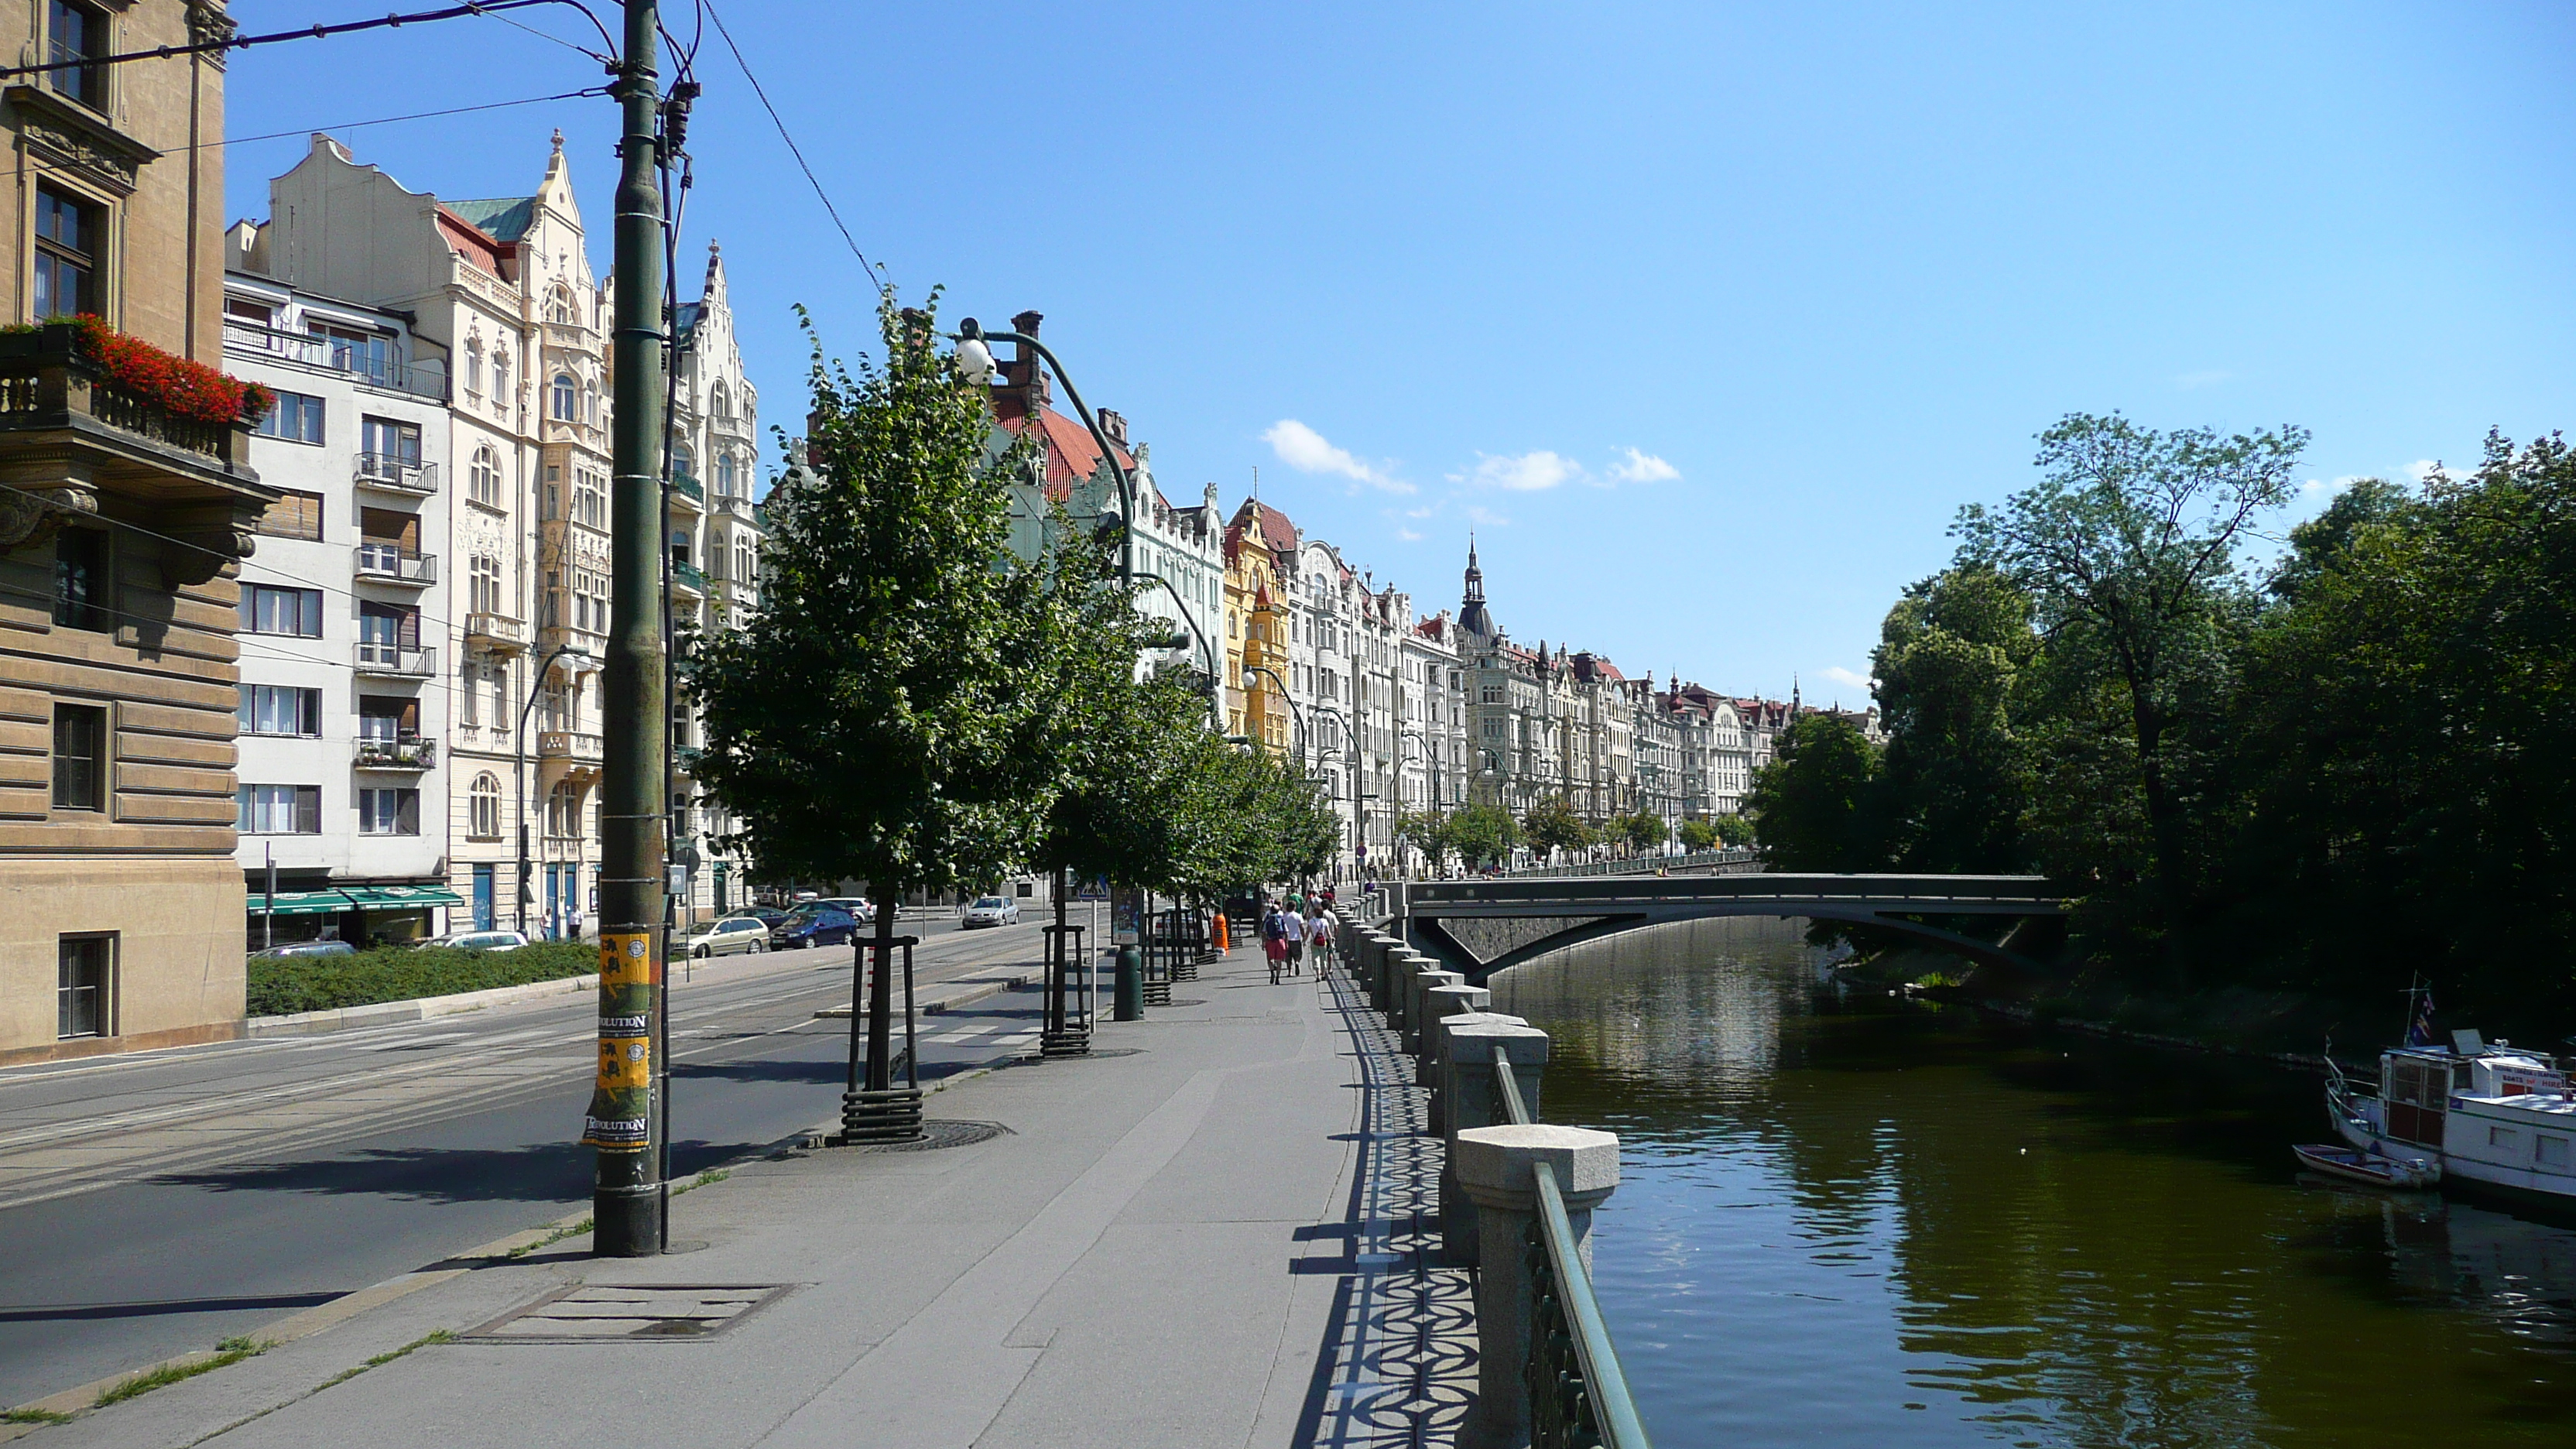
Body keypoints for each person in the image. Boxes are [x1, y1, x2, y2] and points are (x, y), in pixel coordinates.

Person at [1279, 903, 1307, 976]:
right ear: (1294, 907)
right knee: (1298, 953)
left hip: (1286, 939)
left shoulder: (1284, 917)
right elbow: (1301, 927)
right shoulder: (1298, 916)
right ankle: (1297, 962)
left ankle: (1290, 971)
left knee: (1288, 956)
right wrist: (1304, 937)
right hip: (1296, 938)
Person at [1262, 902, 1286, 985]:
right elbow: (1286, 932)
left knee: (1270, 958)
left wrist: (1264, 942)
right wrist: (1286, 942)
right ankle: (1278, 977)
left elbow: (1264, 932)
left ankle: (1272, 971)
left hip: (1270, 941)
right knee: (1279, 960)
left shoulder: (1268, 920)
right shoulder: (1282, 919)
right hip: (1280, 940)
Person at [1309, 904, 1337, 974]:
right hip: (1324, 941)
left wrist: (1304, 941)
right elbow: (1330, 932)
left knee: (1315, 957)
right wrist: (1331, 941)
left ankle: (1318, 972)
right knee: (1324, 957)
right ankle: (1326, 971)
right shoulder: (1326, 920)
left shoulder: (1311, 921)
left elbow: (1307, 932)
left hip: (1314, 941)